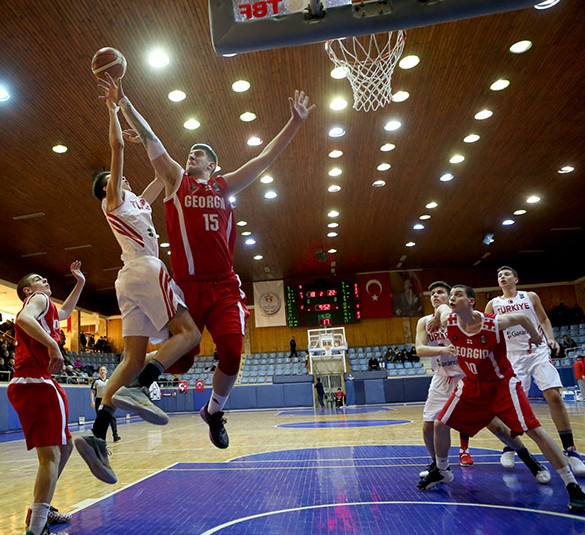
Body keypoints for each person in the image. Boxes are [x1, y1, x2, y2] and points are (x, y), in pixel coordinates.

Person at [113, 76, 315, 449]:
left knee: (233, 354)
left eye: (200, 153)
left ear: (214, 165)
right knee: (181, 364)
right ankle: (130, 385)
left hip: (223, 285)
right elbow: (152, 138)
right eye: (190, 151)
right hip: (186, 286)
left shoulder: (225, 187)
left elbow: (264, 159)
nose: (192, 155)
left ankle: (215, 411)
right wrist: (124, 100)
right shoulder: (175, 181)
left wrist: (295, 123)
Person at [74, 74, 201, 485]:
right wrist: (113, 108)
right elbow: (116, 149)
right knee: (190, 334)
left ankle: (96, 435)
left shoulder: (133, 203)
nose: (122, 179)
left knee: (130, 358)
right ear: (107, 187)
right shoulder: (112, 200)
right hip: (145, 270)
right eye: (116, 179)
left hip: (128, 280)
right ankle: (144, 386)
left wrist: (165, 155)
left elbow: (159, 182)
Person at [417, 284, 585, 514]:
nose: (452, 298)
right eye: (451, 294)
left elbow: (523, 319)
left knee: (533, 429)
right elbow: (442, 310)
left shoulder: (492, 323)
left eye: (458, 295)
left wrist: (537, 337)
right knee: (439, 424)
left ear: (471, 302)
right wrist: (439, 312)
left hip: (501, 385)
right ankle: (443, 470)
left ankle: (572, 485)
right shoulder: (450, 320)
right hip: (472, 386)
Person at [416, 281, 550, 479]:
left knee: (495, 426)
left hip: (466, 374)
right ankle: (438, 466)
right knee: (429, 425)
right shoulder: (425, 322)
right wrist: (443, 350)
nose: (435, 296)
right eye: (432, 293)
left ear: (450, 297)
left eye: (440, 293)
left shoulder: (460, 317)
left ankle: (528, 458)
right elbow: (419, 349)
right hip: (442, 377)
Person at [8, 262, 85, 535]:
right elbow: (23, 319)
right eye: (39, 279)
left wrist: (79, 283)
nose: (45, 281)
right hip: (35, 381)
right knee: (51, 454)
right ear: (28, 290)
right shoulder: (37, 299)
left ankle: (42, 506)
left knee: (65, 447)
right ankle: (38, 527)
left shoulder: (48, 308)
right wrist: (53, 345)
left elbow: (64, 311)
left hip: (38, 382)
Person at [485, 266, 585, 477]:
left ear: (516, 278)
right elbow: (486, 331)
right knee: (513, 405)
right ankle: (510, 446)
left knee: (554, 396)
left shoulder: (530, 296)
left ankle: (570, 451)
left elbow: (544, 320)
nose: (502, 277)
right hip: (512, 357)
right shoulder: (494, 304)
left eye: (506, 274)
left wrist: (550, 338)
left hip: (537, 350)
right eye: (499, 275)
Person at [90, 366, 120, 442]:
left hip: (108, 400)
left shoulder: (110, 380)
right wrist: (92, 401)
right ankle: (100, 437)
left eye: (104, 370)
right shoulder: (96, 381)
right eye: (101, 370)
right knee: (100, 419)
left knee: (112, 418)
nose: (102, 371)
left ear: (106, 371)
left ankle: (115, 435)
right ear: (99, 372)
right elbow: (92, 392)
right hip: (99, 401)